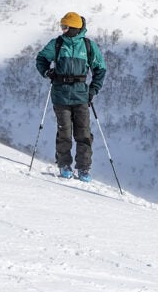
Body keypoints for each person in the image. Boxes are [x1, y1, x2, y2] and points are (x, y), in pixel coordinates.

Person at [35, 11, 107, 182]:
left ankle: (83, 168)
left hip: (81, 96)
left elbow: (100, 69)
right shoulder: (57, 44)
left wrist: (93, 90)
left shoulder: (88, 46)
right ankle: (64, 164)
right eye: (62, 26)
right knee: (65, 131)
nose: (63, 29)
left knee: (84, 133)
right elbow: (41, 59)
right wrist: (47, 72)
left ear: (75, 28)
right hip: (60, 95)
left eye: (65, 27)